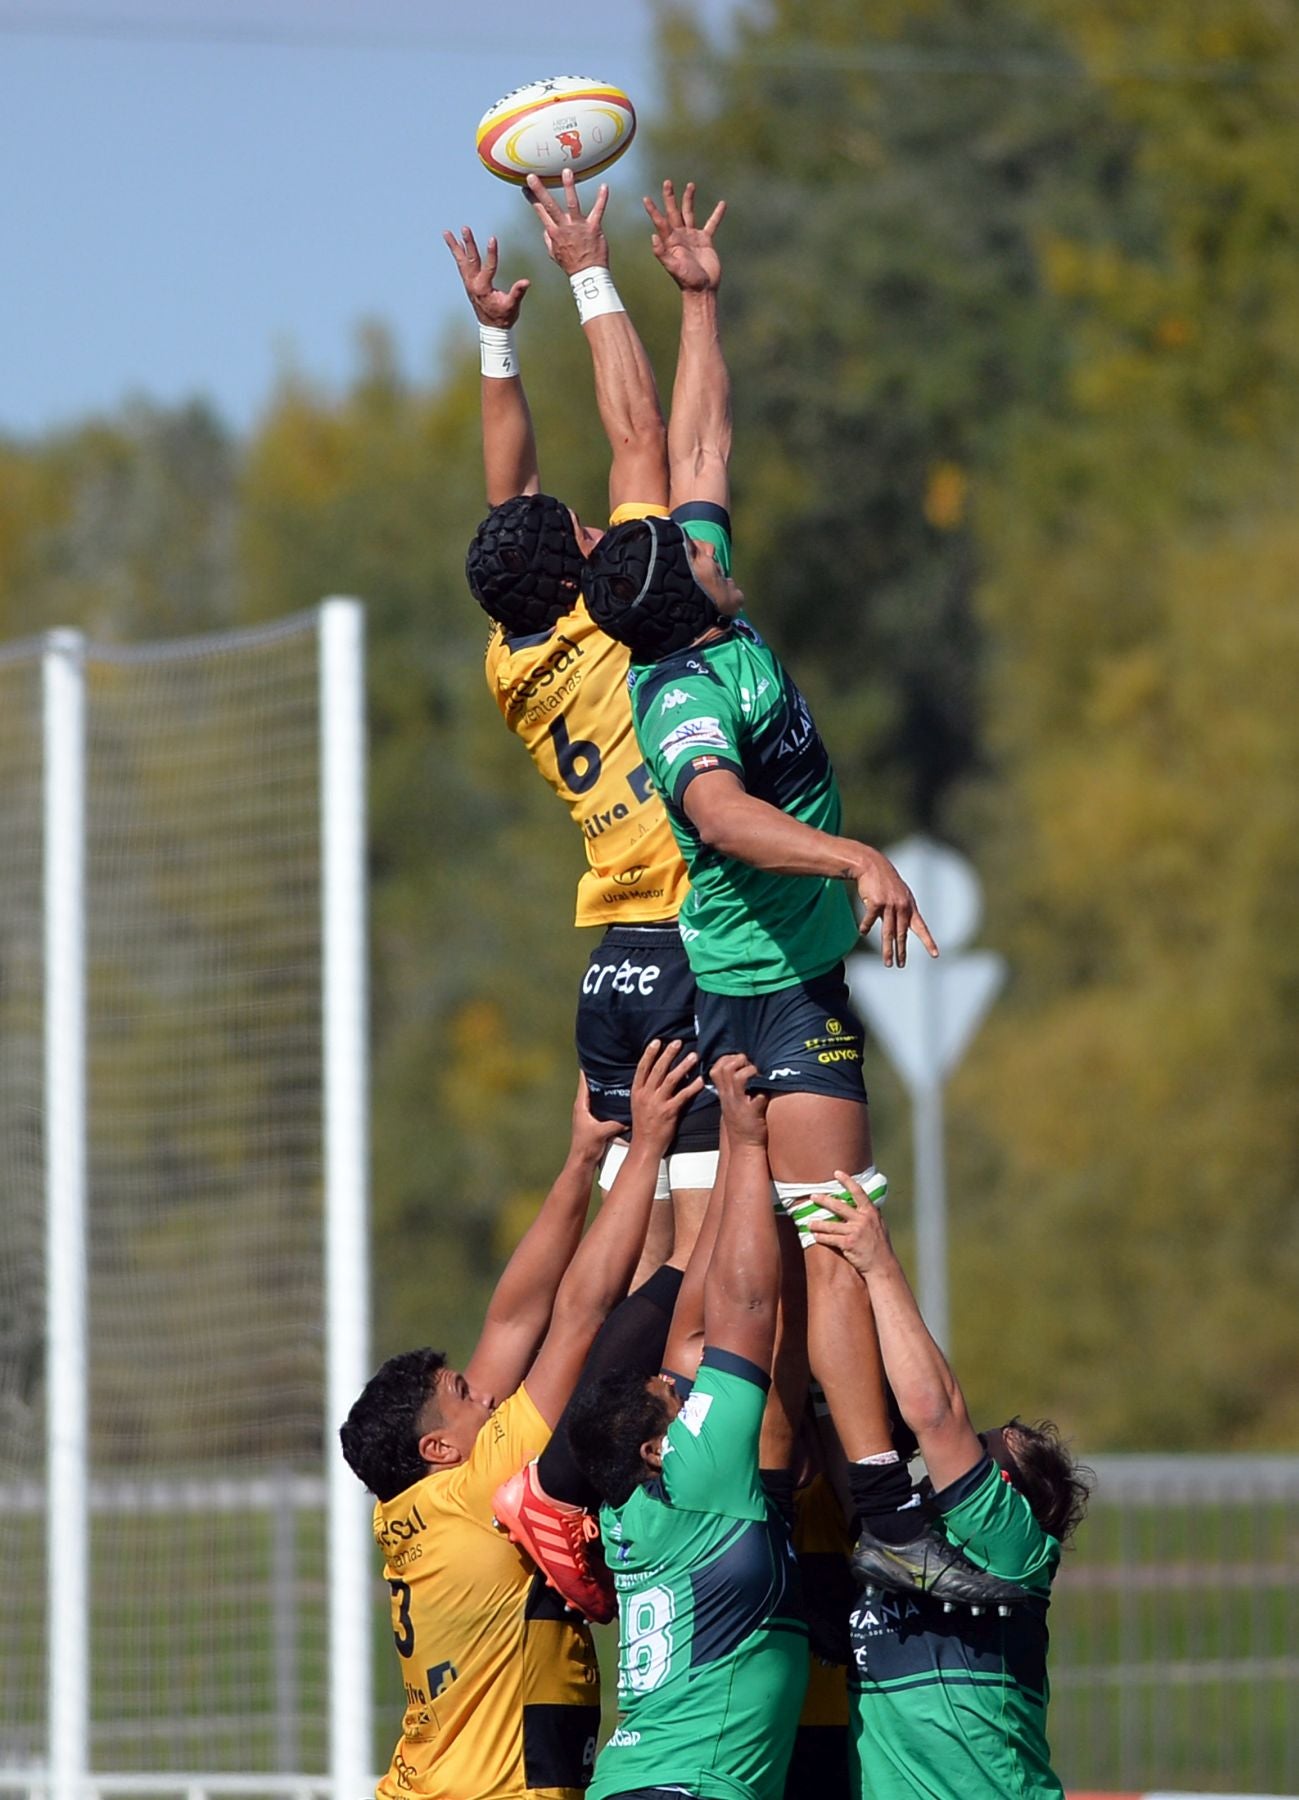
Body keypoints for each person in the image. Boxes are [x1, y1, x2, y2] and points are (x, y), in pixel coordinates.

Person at [579, 281, 992, 1590]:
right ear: (686, 589)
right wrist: (850, 853)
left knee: (790, 1239)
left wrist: (697, 300)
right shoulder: (689, 689)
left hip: (781, 972)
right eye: (696, 542)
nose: (709, 530)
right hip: (768, 988)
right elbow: (717, 811)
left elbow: (696, 444)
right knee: (829, 1237)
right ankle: (879, 1506)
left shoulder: (705, 611)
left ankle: (792, 1474)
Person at [449, 173, 729, 1285]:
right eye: (583, 525)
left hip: (612, 965)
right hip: (689, 933)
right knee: (715, 1281)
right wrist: (587, 273)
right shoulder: (629, 612)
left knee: (642, 1274)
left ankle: (630, 1454)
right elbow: (643, 430)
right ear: (584, 567)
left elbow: (508, 504)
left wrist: (495, 343)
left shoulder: (512, 656)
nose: (594, 515)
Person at [339, 1041, 700, 1800]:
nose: (490, 1397)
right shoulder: (473, 1497)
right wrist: (653, 1148)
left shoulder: (423, 1504)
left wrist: (583, 1159)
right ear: (437, 1446)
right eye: (468, 1397)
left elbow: (514, 1322)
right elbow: (576, 1319)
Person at [566, 1055, 810, 1800]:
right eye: (667, 1396)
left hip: (654, 1783)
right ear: (654, 1448)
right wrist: (747, 1139)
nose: (676, 1386)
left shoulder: (637, 1503)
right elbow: (742, 1311)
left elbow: (689, 1348)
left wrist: (731, 1154)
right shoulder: (693, 1479)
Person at [807, 1179, 1093, 1800]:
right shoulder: (898, 1536)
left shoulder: (1013, 1551)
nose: (952, 1460)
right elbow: (839, 1428)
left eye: (984, 1450)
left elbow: (937, 1415)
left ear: (1013, 1493)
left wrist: (879, 1263)